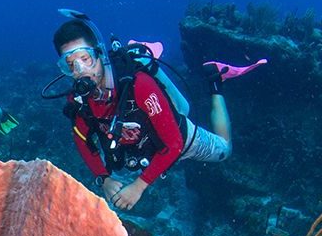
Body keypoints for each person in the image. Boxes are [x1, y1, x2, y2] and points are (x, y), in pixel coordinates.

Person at [52, 15, 264, 211]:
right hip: (141, 150)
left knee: (225, 150)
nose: (80, 70)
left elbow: (174, 144)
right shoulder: (79, 101)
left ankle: (216, 80)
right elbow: (83, 141)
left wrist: (138, 187)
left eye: (85, 58)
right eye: (70, 64)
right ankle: (139, 52)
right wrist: (103, 178)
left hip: (179, 138)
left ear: (99, 54)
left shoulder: (139, 85)